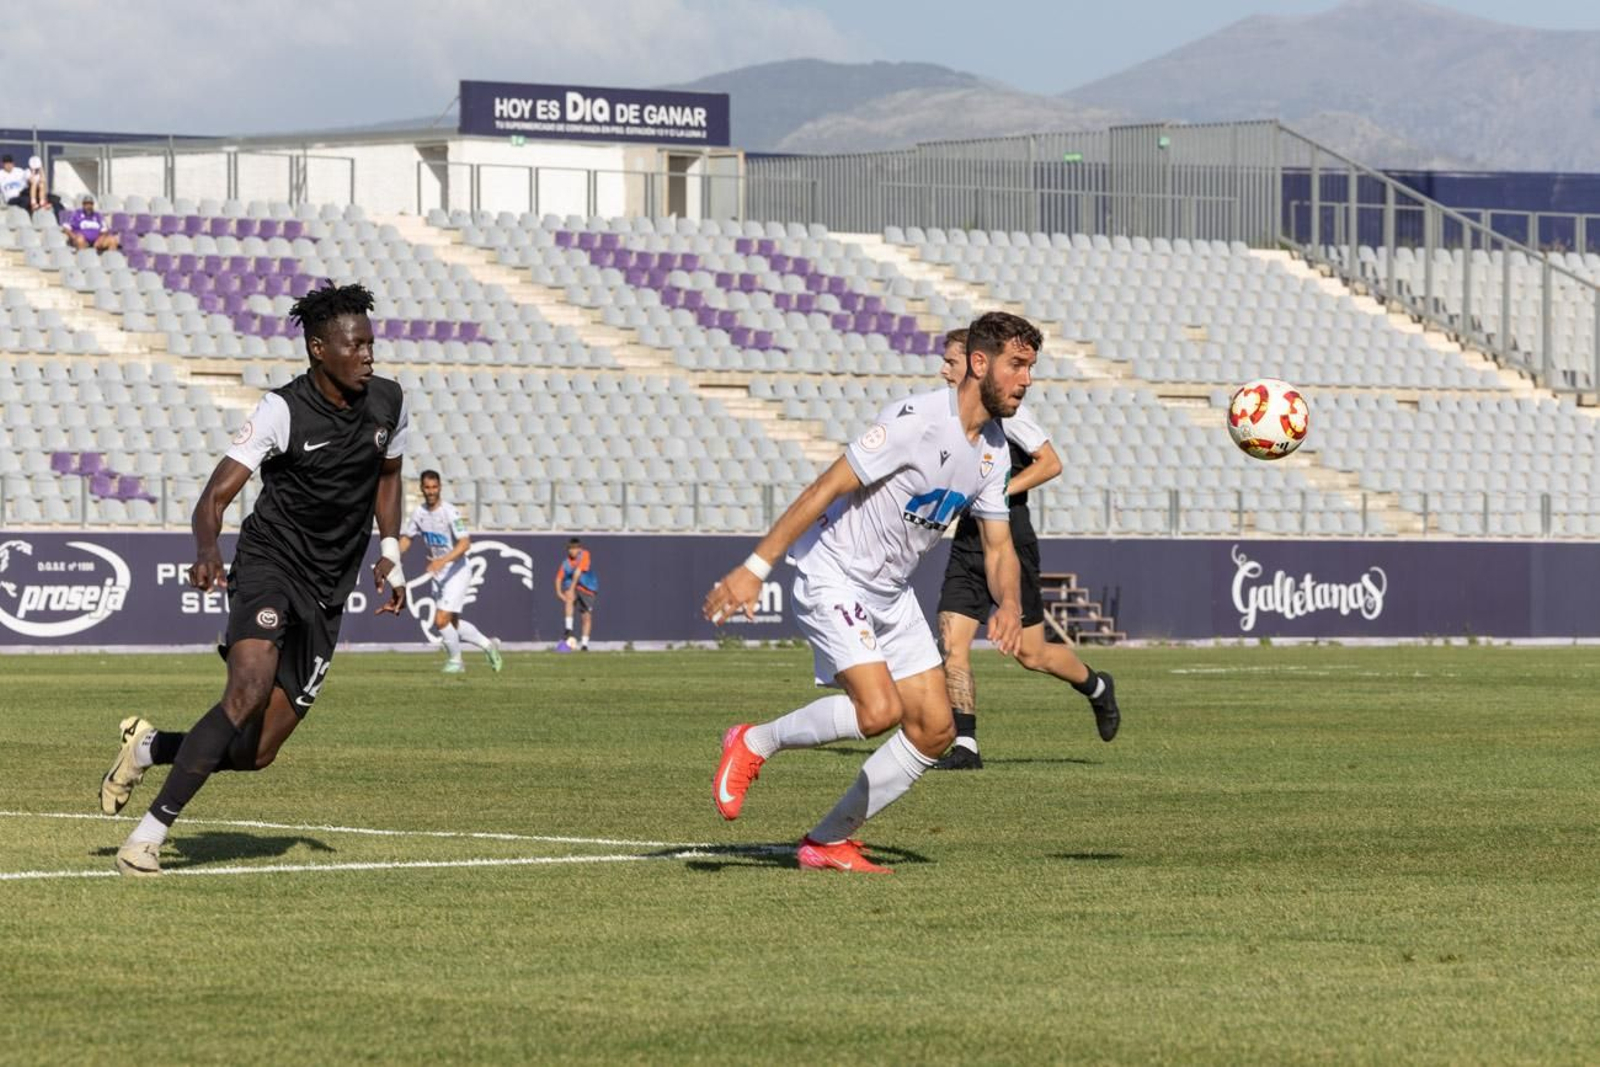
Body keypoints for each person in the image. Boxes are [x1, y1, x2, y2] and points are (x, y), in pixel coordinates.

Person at [703, 310, 1038, 874]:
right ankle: (753, 741)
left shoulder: (995, 452)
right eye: (1017, 365)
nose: (1026, 380)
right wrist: (755, 567)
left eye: (1031, 367)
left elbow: (999, 547)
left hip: (891, 592)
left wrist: (1009, 604)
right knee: (878, 709)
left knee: (936, 730)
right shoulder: (915, 421)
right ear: (979, 364)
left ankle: (828, 841)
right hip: (833, 571)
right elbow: (825, 487)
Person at [97, 282, 409, 877]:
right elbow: (215, 495)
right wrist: (208, 547)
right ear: (320, 349)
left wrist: (391, 552)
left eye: (372, 342)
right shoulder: (281, 409)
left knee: (257, 752)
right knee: (244, 693)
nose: (370, 354)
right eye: (358, 344)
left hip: (328, 589)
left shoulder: (389, 401)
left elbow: (389, 478)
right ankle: (146, 838)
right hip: (270, 564)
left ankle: (149, 747)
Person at [932, 329, 1120, 770]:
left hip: (1010, 539)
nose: (943, 369)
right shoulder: (947, 416)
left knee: (1031, 654)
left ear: (975, 364)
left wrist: (995, 493)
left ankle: (1096, 686)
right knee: (952, 643)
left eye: (950, 361)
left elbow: (1051, 463)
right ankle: (967, 747)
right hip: (967, 540)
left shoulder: (1008, 415)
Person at [399, 469, 503, 674]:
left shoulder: (449, 512)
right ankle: (488, 646)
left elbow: (465, 543)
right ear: (421, 488)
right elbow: (407, 538)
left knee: (440, 620)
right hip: (439, 574)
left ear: (440, 488)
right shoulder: (419, 513)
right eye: (427, 487)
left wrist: (442, 561)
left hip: (457, 571)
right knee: (451, 623)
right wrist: (392, 557)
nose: (431, 491)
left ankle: (456, 662)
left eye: (434, 487)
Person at [553, 537, 597, 651]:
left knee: (586, 616)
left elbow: (577, 573)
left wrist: (571, 589)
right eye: (570, 549)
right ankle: (569, 629)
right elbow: (558, 578)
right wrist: (559, 592)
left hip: (588, 587)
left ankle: (584, 644)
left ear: (579, 549)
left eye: (574, 548)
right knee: (569, 596)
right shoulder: (565, 563)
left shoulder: (584, 554)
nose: (572, 551)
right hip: (574, 585)